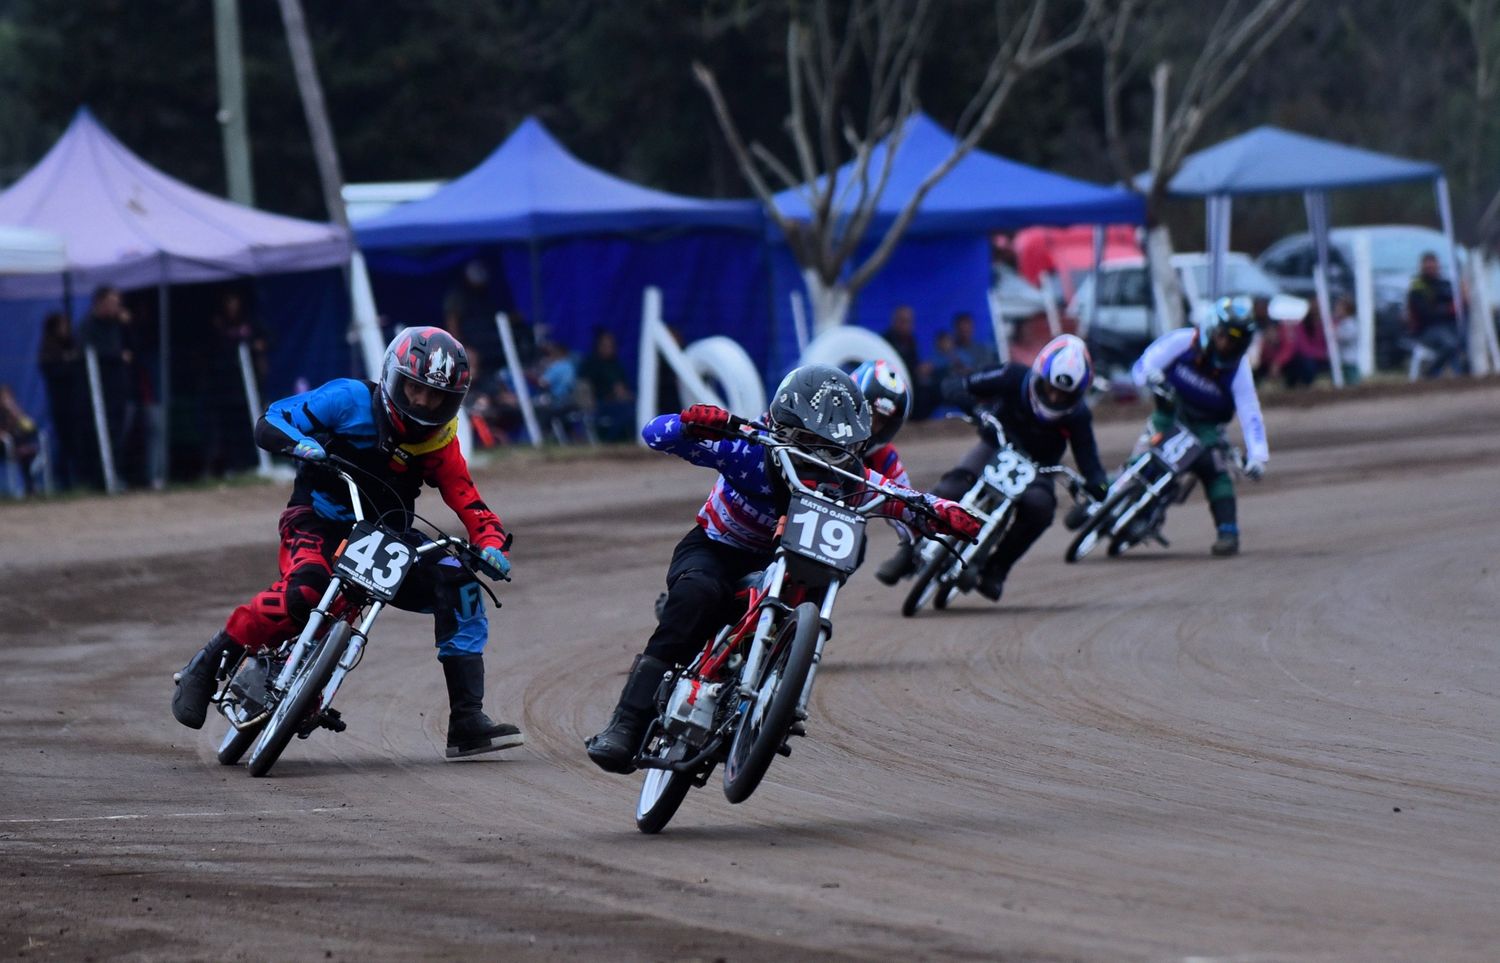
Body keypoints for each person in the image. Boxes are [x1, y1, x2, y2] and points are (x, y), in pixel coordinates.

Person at [583, 364, 980, 774]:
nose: (821, 460)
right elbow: (654, 433)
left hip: (784, 564)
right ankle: (624, 725)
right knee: (696, 596)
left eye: (834, 450)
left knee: (812, 583)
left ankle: (773, 686)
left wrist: (950, 513)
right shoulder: (745, 447)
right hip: (716, 548)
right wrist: (689, 424)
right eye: (809, 444)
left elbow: (908, 498)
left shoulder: (853, 479)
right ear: (784, 427)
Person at [170, 326, 522, 759]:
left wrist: (491, 546)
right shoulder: (347, 399)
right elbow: (272, 419)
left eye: (436, 397)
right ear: (393, 378)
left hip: (386, 535)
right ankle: (206, 663)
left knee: (462, 582)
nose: (423, 404)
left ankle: (467, 719)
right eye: (414, 390)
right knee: (306, 589)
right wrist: (300, 444)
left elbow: (471, 503)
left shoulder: (440, 440)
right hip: (317, 518)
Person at [911, 334, 1108, 602]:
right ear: (1038, 375)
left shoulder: (1079, 415)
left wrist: (1098, 485)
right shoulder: (1011, 375)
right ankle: (910, 543)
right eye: (1050, 388)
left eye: (1063, 395)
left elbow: (1089, 459)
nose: (1053, 396)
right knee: (950, 487)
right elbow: (958, 385)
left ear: (1076, 396)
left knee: (1041, 509)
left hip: (1038, 467)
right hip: (995, 445)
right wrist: (974, 408)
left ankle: (997, 569)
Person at [1129, 296, 1269, 557]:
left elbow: (1251, 414)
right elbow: (1143, 365)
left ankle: (1228, 532)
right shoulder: (1182, 342)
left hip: (1207, 427)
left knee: (1215, 467)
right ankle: (1112, 492)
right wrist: (1149, 376)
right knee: (1143, 458)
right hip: (1169, 413)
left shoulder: (1238, 370)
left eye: (1236, 341)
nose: (1227, 346)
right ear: (1211, 330)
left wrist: (1258, 456)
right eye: (1224, 337)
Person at [78, 286, 133, 488]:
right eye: (113, 302)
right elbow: (89, 353)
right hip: (98, 395)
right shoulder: (87, 326)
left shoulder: (117, 325)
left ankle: (116, 475)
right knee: (101, 436)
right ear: (99, 302)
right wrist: (118, 357)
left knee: (119, 435)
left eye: (118, 303)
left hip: (119, 392)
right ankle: (100, 480)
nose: (117, 307)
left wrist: (127, 325)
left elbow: (134, 347)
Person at [38, 311, 89, 490]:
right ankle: (65, 481)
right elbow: (55, 373)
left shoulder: (73, 346)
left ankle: (80, 479)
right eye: (63, 326)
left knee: (79, 443)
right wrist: (68, 362)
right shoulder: (49, 351)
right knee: (66, 444)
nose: (67, 329)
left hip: (77, 403)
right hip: (62, 405)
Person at [1406, 251, 1464, 378]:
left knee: (1463, 338)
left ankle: (1461, 376)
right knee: (1450, 344)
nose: (1431, 268)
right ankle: (1430, 373)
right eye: (1428, 266)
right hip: (1426, 330)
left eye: (1433, 265)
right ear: (1422, 267)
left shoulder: (1445, 284)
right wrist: (1447, 309)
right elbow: (1426, 313)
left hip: (1448, 328)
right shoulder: (1418, 287)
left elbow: (1457, 304)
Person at [577, 327, 635, 442]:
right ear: (598, 346)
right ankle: (609, 442)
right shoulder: (591, 364)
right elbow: (584, 388)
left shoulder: (616, 364)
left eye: (611, 345)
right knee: (624, 413)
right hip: (599, 404)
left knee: (630, 410)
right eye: (606, 345)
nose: (609, 348)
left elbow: (622, 386)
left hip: (618, 402)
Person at [1275, 303, 1331, 388]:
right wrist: (1321, 354)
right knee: (1305, 364)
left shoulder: (1324, 326)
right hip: (1307, 359)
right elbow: (1303, 348)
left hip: (1319, 358)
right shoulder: (1301, 327)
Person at [0, 384, 41, 496]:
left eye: (9, 398)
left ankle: (30, 489)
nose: (7, 401)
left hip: (14, 445)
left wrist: (16, 412)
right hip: (3, 446)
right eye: (4, 398)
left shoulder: (16, 414)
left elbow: (31, 428)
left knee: (25, 453)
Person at [948, 311, 998, 378]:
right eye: (961, 330)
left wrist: (971, 370)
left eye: (967, 330)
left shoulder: (982, 349)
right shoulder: (951, 351)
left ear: (972, 328)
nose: (964, 333)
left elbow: (987, 370)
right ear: (956, 330)